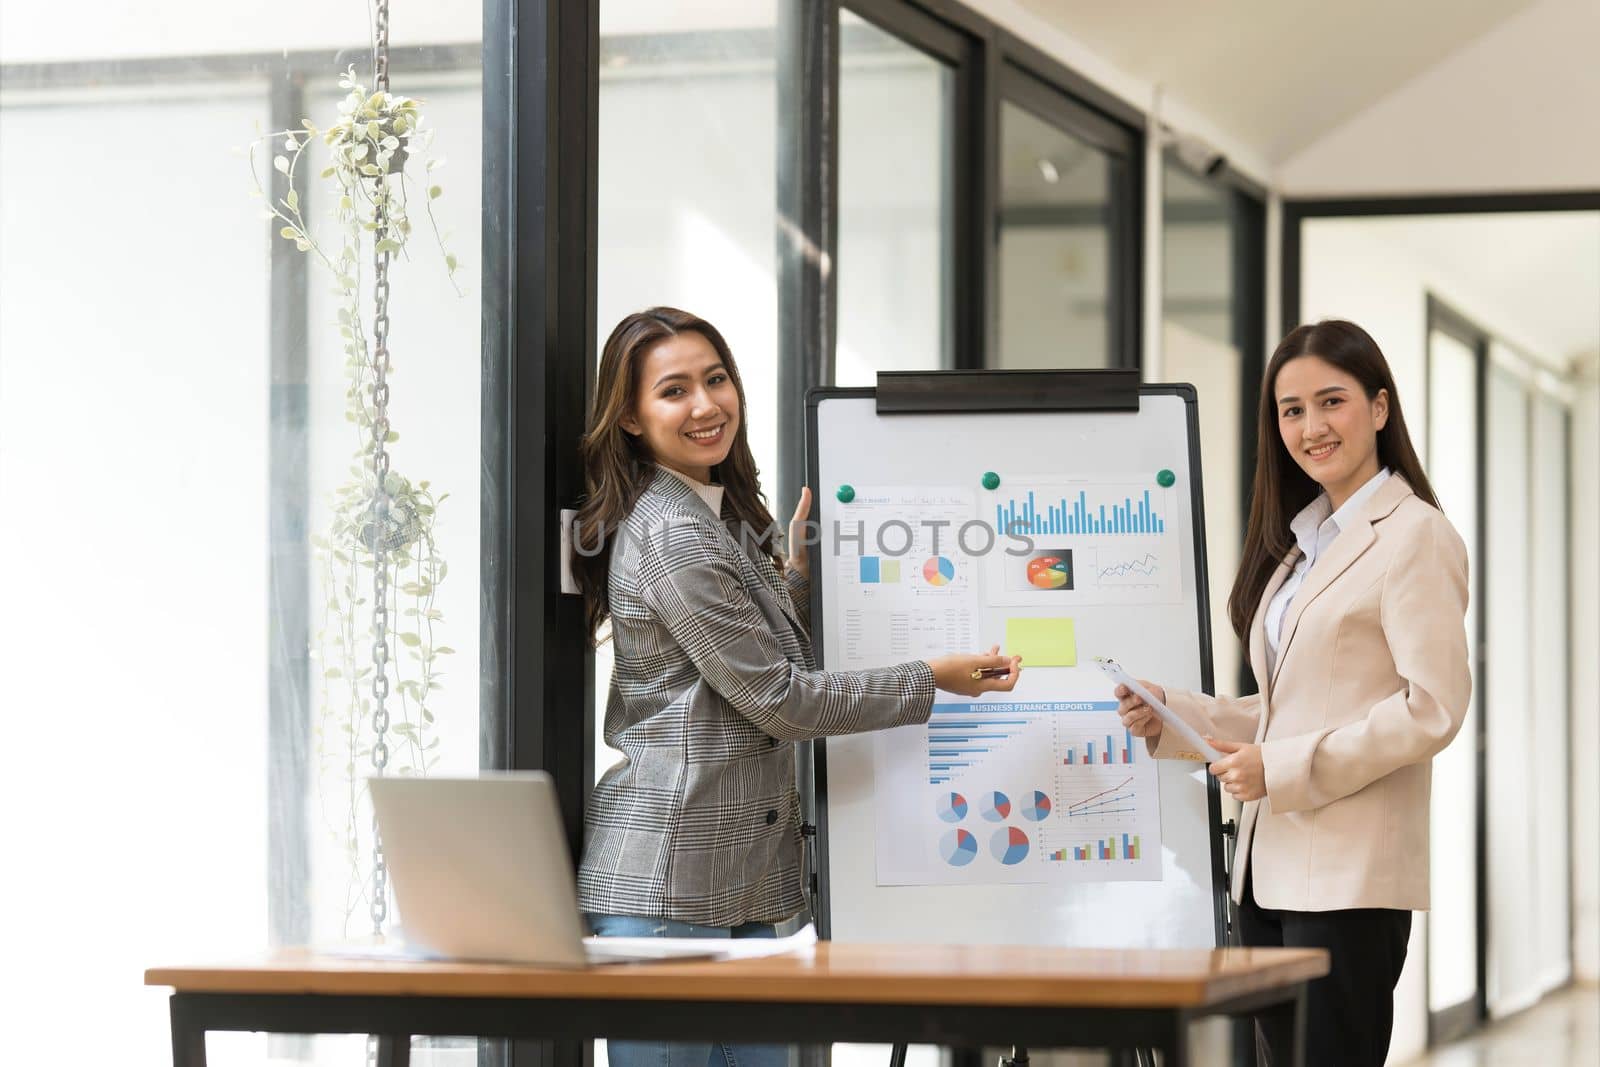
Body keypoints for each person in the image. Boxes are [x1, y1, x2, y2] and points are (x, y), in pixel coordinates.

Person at [571, 306, 1021, 1067]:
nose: (707, 404)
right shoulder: (672, 530)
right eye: (674, 391)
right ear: (632, 420)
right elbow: (778, 698)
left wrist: (799, 582)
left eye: (716, 379)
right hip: (669, 887)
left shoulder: (712, 513)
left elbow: (743, 664)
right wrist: (932, 680)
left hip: (742, 886)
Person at [1116, 319, 1470, 1067]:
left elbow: (1432, 707)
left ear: (1379, 408)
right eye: (1291, 410)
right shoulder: (1302, 547)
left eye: (1330, 402)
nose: (1311, 427)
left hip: (1347, 880)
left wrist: (1280, 769)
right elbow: (1292, 703)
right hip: (1267, 872)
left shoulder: (1414, 535)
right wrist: (1173, 714)